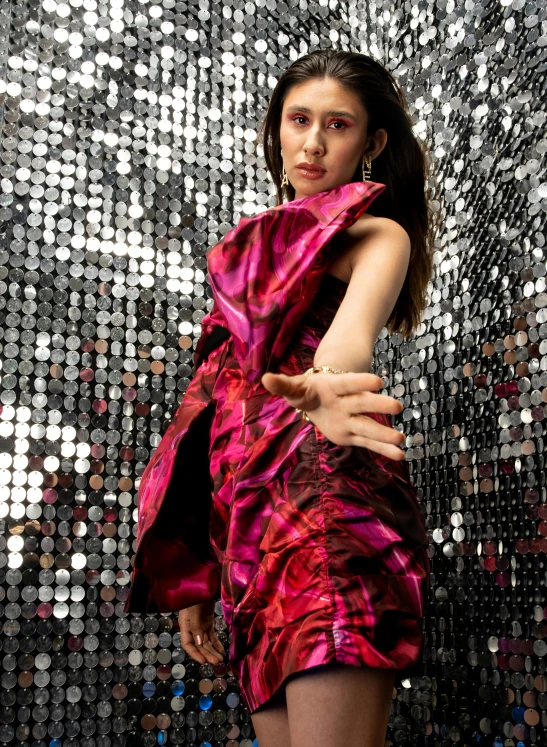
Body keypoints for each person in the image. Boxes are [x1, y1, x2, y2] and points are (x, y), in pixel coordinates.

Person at [124, 49, 440, 747]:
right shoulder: (251, 260)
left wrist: (322, 387)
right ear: (276, 130)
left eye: (338, 124)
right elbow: (211, 416)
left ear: (371, 142)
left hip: (326, 512)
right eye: (298, 119)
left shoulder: (375, 233)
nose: (314, 141)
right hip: (250, 537)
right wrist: (201, 568)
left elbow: (347, 340)